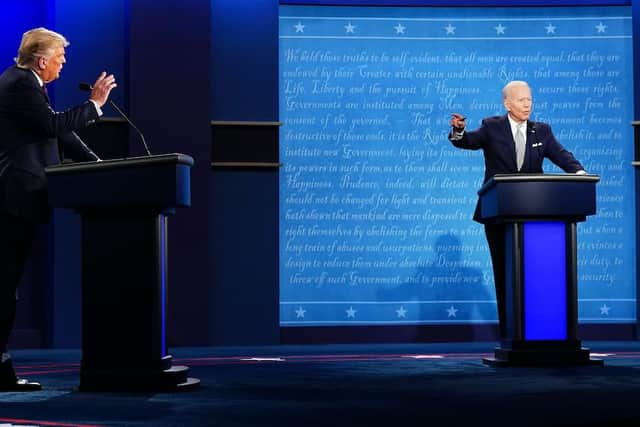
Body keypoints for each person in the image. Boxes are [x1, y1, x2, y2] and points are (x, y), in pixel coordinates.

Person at [0, 27, 116, 391]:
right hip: (13, 197)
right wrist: (94, 104)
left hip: (19, 197)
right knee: (4, 285)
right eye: (61, 58)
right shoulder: (20, 84)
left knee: (7, 285)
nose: (64, 65)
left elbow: (57, 133)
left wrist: (99, 163)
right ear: (42, 60)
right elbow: (53, 124)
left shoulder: (26, 83)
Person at [448, 80, 586, 339]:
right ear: (507, 103)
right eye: (521, 100)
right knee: (505, 273)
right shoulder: (492, 127)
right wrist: (459, 131)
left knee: (535, 277)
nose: (527, 104)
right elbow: (468, 141)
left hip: (536, 216)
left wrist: (579, 173)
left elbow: (561, 155)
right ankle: (509, 334)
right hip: (498, 214)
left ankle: (541, 333)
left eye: (530, 99)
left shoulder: (541, 131)